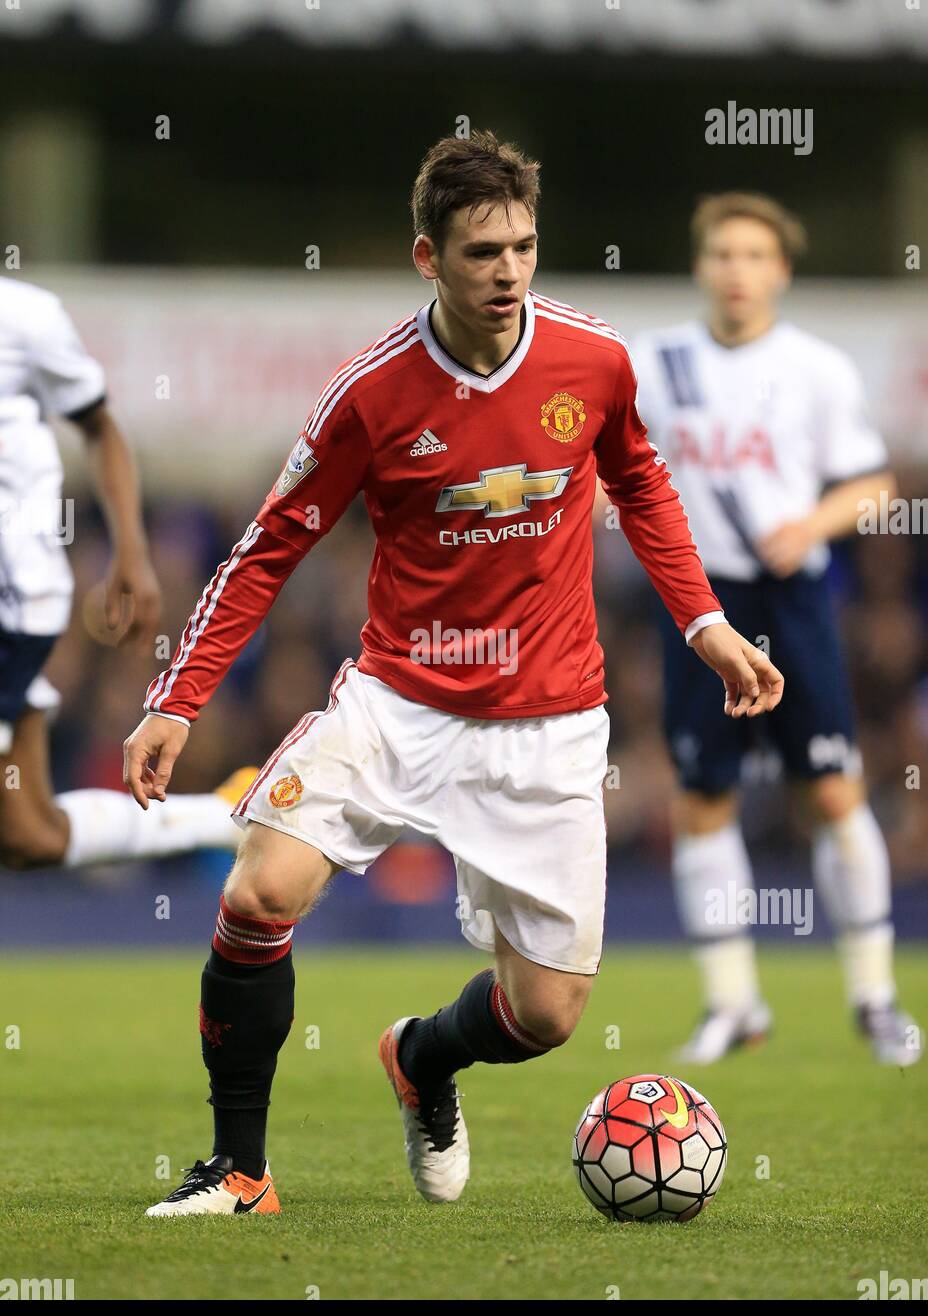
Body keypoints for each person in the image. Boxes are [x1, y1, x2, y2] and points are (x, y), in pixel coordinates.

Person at [123, 133, 783, 1218]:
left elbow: (645, 485)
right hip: (396, 704)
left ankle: (423, 1059)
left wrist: (703, 621)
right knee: (257, 892)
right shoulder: (371, 394)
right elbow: (269, 545)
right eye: (483, 251)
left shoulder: (594, 363)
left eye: (524, 245)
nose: (509, 271)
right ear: (428, 256)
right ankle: (240, 1172)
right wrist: (177, 698)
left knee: (548, 1016)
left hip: (551, 723)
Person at [631, 192, 922, 1067]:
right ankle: (733, 1006)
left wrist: (813, 525)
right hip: (697, 602)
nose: (737, 271)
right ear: (700, 265)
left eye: (755, 255)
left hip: (792, 599)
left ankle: (874, 996)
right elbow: (615, 466)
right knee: (703, 799)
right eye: (723, 253)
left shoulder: (817, 369)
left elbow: (873, 484)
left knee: (832, 790)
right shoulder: (655, 363)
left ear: (782, 271)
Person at [0, 275, 252, 873]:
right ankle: (226, 814)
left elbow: (100, 426)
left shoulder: (24, 316)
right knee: (27, 834)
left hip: (12, 601)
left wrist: (131, 553)